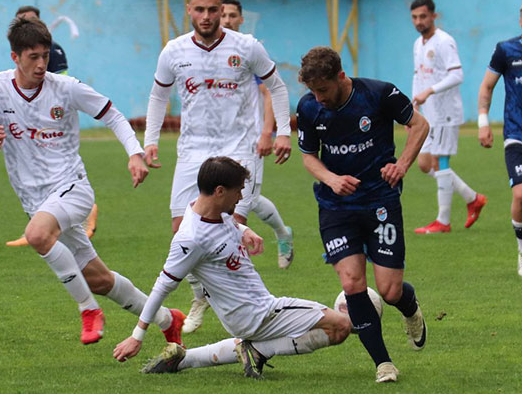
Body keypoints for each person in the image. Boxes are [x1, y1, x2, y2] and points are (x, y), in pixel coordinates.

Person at [0, 17, 185, 345]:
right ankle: (167, 319)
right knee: (99, 280)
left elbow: (113, 114)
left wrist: (134, 153)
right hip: (35, 200)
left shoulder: (66, 88)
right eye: (33, 57)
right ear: (15, 57)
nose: (42, 64)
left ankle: (88, 309)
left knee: (37, 235)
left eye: (45, 56)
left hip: (72, 186)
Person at [113, 157, 351, 379]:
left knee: (334, 326)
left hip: (249, 312)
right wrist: (137, 336)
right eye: (238, 191)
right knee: (340, 326)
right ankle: (259, 350)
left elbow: (227, 223)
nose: (240, 197)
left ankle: (185, 359)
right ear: (219, 191)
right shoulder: (191, 238)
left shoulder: (204, 208)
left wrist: (244, 230)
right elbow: (162, 286)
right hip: (258, 313)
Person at [144, 0, 292, 334]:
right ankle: (202, 295)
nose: (207, 16)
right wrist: (150, 141)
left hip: (238, 148)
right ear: (189, 11)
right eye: (200, 10)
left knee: (230, 229)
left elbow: (277, 86)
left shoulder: (246, 46)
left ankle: (250, 310)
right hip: (193, 150)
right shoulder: (174, 51)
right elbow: (158, 96)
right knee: (181, 230)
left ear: (221, 10)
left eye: (213, 10)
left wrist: (282, 131)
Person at [296, 46, 429, 382]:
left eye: (323, 89)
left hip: (380, 200)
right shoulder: (309, 107)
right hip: (336, 207)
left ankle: (410, 308)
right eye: (313, 91)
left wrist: (402, 165)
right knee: (352, 282)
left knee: (390, 291)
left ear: (341, 76)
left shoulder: (379, 94)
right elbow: (309, 156)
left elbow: (419, 125)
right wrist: (331, 179)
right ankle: (383, 364)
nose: (319, 98)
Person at [5, 5, 99, 247]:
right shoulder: (17, 61)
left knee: (64, 177)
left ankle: (44, 227)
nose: (40, 62)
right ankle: (40, 225)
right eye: (22, 21)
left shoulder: (54, 51)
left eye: (31, 20)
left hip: (54, 122)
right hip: (34, 124)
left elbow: (61, 83)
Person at [220, 0, 294, 269]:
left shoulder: (249, 51)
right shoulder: (208, 54)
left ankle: (235, 275)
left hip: (249, 141)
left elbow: (268, 93)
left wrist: (267, 133)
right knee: (246, 199)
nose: (227, 20)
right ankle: (283, 232)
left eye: (232, 15)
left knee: (239, 211)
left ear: (241, 19)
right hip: (219, 140)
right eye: (223, 15)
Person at [409, 0, 487, 234]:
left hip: (445, 113)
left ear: (434, 16)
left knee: (440, 162)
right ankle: (472, 198)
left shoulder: (445, 41)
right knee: (424, 164)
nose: (419, 21)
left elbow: (457, 75)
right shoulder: (418, 44)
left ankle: (443, 221)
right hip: (428, 114)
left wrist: (430, 91)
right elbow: (418, 75)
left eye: (423, 16)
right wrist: (413, 107)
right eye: (414, 17)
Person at [477, 3, 522, 277]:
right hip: (517, 133)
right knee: (521, 194)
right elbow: (487, 86)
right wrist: (483, 122)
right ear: (521, 21)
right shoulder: (506, 50)